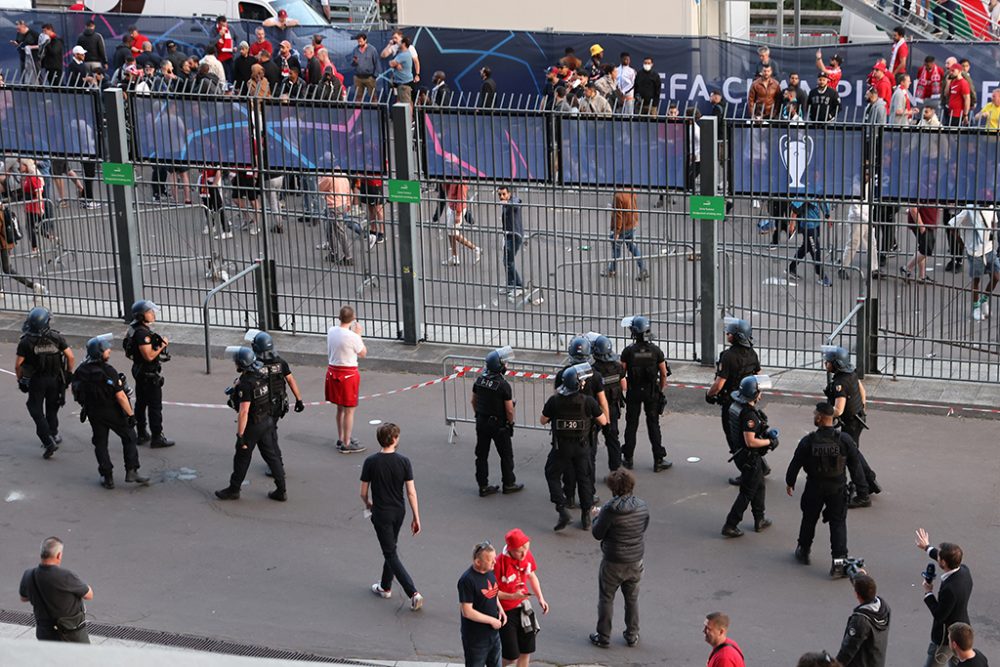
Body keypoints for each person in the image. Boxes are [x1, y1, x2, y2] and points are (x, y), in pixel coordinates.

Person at [785, 403, 868, 577]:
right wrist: (862, 489)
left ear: (821, 418)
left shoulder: (808, 441)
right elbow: (855, 465)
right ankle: (838, 564)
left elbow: (796, 462)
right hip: (837, 488)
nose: (814, 415)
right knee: (837, 524)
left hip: (814, 486)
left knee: (809, 519)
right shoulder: (844, 440)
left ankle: (804, 550)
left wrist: (790, 482)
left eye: (815, 413)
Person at [72, 334, 150, 490]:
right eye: (107, 349)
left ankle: (107, 477)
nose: (109, 351)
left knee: (100, 443)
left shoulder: (81, 370)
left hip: (93, 411)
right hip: (112, 410)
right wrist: (131, 415)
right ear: (100, 352)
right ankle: (131, 470)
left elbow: (76, 391)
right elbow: (121, 396)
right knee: (129, 436)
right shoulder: (108, 371)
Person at [361, 423, 423, 610]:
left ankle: (412, 592)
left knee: (390, 552)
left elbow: (363, 492)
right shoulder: (404, 461)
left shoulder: (371, 462)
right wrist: (416, 517)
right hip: (399, 511)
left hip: (381, 512)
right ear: (395, 439)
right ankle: (385, 586)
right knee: (391, 548)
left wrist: (368, 504)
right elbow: (411, 492)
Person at [214, 346, 287, 501]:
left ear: (241, 364)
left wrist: (240, 435)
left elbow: (244, 412)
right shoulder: (261, 375)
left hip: (254, 424)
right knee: (272, 457)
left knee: (242, 457)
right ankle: (281, 490)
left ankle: (234, 489)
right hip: (267, 421)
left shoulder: (246, 385)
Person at [541, 364, 607, 530]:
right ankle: (586, 516)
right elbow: (603, 421)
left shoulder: (554, 401)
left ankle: (562, 508)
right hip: (582, 447)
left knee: (552, 474)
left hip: (561, 447)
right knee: (584, 478)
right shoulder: (588, 402)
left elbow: (543, 420)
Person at [589, 469, 648, 649]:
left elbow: (598, 534)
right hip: (635, 559)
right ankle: (632, 634)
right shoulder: (642, 505)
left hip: (613, 561)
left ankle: (603, 635)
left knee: (606, 598)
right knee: (632, 598)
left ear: (613, 488)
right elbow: (644, 526)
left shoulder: (609, 510)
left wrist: (596, 517)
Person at [821, 345, 879, 508]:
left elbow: (838, 410)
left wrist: (824, 414)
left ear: (837, 364)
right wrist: (862, 409)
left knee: (851, 459)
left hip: (851, 423)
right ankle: (870, 480)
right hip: (858, 419)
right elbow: (862, 392)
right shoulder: (851, 373)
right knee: (854, 452)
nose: (826, 365)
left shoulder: (840, 383)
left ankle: (862, 494)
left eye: (829, 362)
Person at [705, 318, 761, 485]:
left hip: (732, 403)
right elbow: (759, 375)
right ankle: (761, 466)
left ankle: (746, 473)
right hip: (749, 400)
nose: (727, 334)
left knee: (735, 439)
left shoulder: (727, 356)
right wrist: (757, 394)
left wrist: (709, 394)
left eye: (729, 332)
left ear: (736, 336)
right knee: (750, 435)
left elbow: (719, 383)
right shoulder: (752, 353)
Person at [721, 375, 778, 538]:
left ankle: (759, 519)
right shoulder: (749, 415)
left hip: (742, 454)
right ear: (754, 393)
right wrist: (769, 442)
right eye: (759, 392)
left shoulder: (737, 406)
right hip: (749, 457)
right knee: (747, 492)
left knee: (759, 485)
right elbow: (751, 441)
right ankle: (730, 524)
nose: (761, 395)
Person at [15, 307, 73, 459]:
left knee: (35, 408)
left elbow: (18, 364)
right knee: (52, 407)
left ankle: (47, 440)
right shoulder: (56, 337)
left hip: (37, 381)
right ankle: (53, 434)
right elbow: (70, 357)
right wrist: (68, 374)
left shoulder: (26, 341)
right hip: (55, 379)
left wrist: (20, 379)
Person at [914, 528, 974, 667]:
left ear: (944, 563)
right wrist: (927, 547)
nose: (938, 558)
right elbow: (944, 557)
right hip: (962, 632)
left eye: (939, 557)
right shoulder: (964, 570)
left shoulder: (950, 589)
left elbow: (939, 614)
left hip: (945, 638)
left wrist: (928, 593)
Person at [247, 330, 303, 473]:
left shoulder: (254, 365)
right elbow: (290, 380)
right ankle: (275, 464)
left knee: (268, 436)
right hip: (278, 404)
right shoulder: (280, 362)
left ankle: (276, 465)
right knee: (271, 431)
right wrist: (299, 399)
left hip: (261, 406)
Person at [620, 316, 671, 471]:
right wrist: (660, 390)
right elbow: (663, 374)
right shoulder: (656, 351)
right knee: (654, 424)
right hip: (651, 392)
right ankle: (658, 460)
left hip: (634, 391)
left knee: (631, 425)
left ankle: (628, 458)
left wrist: (626, 389)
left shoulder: (628, 351)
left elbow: (622, 373)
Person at [19, 537, 93, 643]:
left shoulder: (29, 575)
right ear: (59, 555)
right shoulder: (66, 576)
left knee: (51, 659)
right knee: (82, 659)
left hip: (44, 632)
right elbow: (89, 595)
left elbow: (23, 598)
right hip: (70, 632)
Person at [472, 347, 522, 497]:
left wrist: (479, 415)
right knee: (506, 455)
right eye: (504, 363)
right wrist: (510, 423)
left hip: (481, 421)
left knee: (481, 455)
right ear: (499, 365)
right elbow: (509, 410)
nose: (506, 366)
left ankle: (483, 486)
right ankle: (509, 483)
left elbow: (473, 401)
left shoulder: (480, 380)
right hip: (498, 424)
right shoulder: (503, 385)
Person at [494, 528, 548, 667]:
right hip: (505, 611)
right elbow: (492, 592)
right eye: (520, 551)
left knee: (526, 651)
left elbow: (532, 576)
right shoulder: (499, 563)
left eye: (526, 549)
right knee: (511, 655)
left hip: (524, 608)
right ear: (510, 549)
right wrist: (512, 596)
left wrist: (540, 598)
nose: (524, 554)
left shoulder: (526, 556)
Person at [125, 300, 175, 449]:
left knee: (141, 403)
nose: (153, 314)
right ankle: (157, 437)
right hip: (148, 373)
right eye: (150, 312)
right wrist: (163, 344)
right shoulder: (142, 334)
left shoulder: (133, 329)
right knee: (154, 406)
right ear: (141, 315)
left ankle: (141, 433)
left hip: (139, 370)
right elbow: (149, 355)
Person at [326, 305, 367, 453]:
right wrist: (358, 334)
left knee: (340, 408)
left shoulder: (331, 331)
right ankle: (347, 443)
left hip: (333, 371)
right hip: (348, 374)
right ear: (353, 319)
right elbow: (363, 353)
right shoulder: (353, 337)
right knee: (350, 410)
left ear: (339, 317)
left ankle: (341, 437)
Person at [947, 206, 1000, 321]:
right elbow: (952, 224)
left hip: (989, 249)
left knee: (996, 277)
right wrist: (961, 242)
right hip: (975, 251)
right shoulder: (968, 210)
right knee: (976, 280)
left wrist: (991, 232)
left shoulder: (990, 207)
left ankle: (984, 299)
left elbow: (994, 221)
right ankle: (976, 307)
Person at [459, 542, 506, 667]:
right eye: (490, 560)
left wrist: (500, 609)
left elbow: (492, 593)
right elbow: (467, 611)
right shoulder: (467, 580)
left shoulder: (489, 572)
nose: (495, 563)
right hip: (476, 639)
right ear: (478, 562)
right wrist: (492, 620)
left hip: (493, 635)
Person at [836, 574, 890, 667]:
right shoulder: (884, 608)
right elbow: (868, 587)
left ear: (857, 595)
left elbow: (848, 650)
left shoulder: (860, 621)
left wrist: (836, 664)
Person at [590, 334, 624, 471]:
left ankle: (588, 472)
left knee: (591, 440)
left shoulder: (592, 370)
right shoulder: (618, 367)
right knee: (613, 439)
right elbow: (624, 386)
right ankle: (616, 471)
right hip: (612, 408)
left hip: (596, 410)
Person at [601, 190, 647, 280]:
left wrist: (617, 232)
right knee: (634, 248)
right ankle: (643, 269)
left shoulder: (618, 196)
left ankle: (612, 270)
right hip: (631, 224)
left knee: (616, 248)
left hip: (622, 227)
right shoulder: (631, 190)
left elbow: (618, 215)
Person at [788, 199, 833, 287]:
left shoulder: (819, 188)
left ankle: (791, 268)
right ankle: (822, 276)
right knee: (815, 250)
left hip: (815, 223)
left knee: (806, 247)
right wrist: (792, 223)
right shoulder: (806, 189)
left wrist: (828, 216)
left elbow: (824, 201)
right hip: (808, 225)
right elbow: (796, 207)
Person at [441, 180, 481, 266]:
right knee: (451, 233)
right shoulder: (450, 176)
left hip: (456, 209)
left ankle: (475, 248)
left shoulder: (460, 180)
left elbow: (461, 198)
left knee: (453, 233)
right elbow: (446, 189)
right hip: (452, 207)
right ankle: (455, 257)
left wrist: (458, 214)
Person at [498, 186, 523, 295]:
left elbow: (517, 204)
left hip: (515, 236)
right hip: (508, 235)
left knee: (508, 261)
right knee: (507, 261)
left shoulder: (514, 200)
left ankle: (518, 285)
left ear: (509, 193)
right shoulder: (505, 202)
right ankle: (511, 284)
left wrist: (507, 203)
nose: (502, 197)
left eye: (504, 194)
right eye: (499, 194)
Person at [351, 32, 379, 101]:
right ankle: (357, 111)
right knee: (358, 97)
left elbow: (377, 63)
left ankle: (374, 110)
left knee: (373, 96)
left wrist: (374, 76)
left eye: (360, 41)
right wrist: (354, 62)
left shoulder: (372, 50)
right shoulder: (355, 50)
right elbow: (352, 64)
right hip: (358, 77)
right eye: (358, 41)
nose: (359, 43)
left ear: (365, 40)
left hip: (369, 77)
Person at [388, 36, 415, 104]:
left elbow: (391, 64)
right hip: (400, 83)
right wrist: (397, 64)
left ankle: (408, 115)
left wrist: (395, 64)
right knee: (403, 101)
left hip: (404, 83)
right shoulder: (403, 53)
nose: (398, 44)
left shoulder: (403, 55)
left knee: (405, 103)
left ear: (403, 44)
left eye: (399, 43)